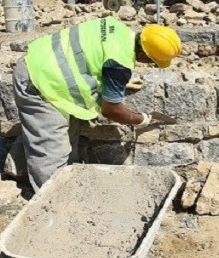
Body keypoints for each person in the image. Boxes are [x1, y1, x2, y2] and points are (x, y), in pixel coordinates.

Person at [13, 17, 181, 191]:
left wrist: (113, 84)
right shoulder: (118, 65)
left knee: (69, 142)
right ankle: (50, 205)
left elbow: (91, 55)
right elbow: (111, 111)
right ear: (144, 55)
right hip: (38, 81)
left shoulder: (115, 27)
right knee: (52, 155)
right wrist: (141, 120)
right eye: (152, 62)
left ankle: (69, 191)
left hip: (43, 59)